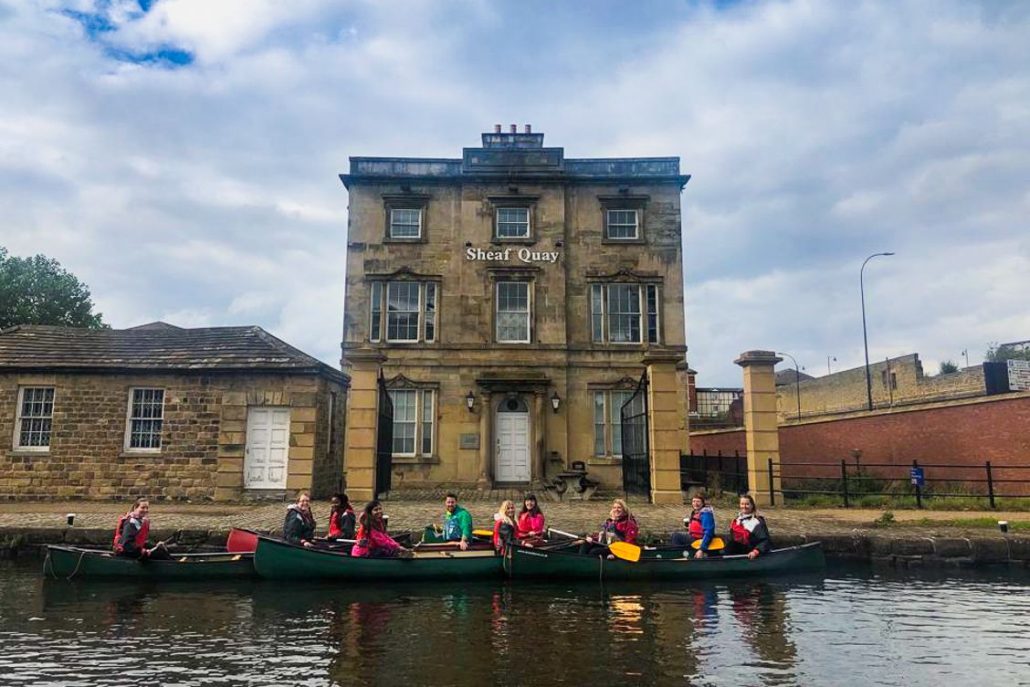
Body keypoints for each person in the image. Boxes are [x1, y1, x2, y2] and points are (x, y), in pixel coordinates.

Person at [671, 493, 717, 558]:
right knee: (676, 536)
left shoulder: (706, 514)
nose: (695, 504)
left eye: (698, 501)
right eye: (694, 501)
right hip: (694, 537)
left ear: (702, 503)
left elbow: (709, 532)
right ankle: (680, 554)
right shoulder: (696, 512)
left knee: (676, 536)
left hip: (700, 540)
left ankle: (676, 556)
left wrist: (701, 549)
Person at [728, 494, 772, 560]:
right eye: (742, 504)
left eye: (747, 504)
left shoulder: (757, 521)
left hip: (751, 552)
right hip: (737, 552)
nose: (744, 506)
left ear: (752, 506)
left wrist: (755, 552)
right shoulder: (737, 520)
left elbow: (765, 541)